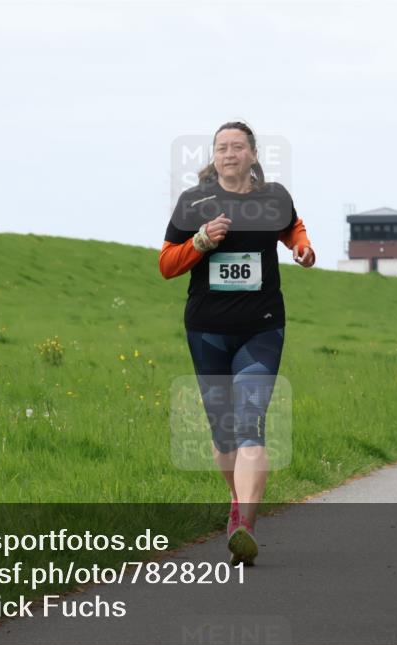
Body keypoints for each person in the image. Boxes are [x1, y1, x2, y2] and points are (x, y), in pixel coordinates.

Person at [160, 121, 315, 565]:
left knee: (250, 422)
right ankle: (236, 503)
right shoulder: (195, 202)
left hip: (261, 327)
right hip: (207, 329)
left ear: (252, 154)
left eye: (237, 147)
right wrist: (201, 242)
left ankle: (246, 524)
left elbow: (294, 229)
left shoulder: (274, 198)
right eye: (221, 148)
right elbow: (166, 264)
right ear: (214, 157)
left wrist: (302, 248)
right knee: (223, 432)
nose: (229, 154)